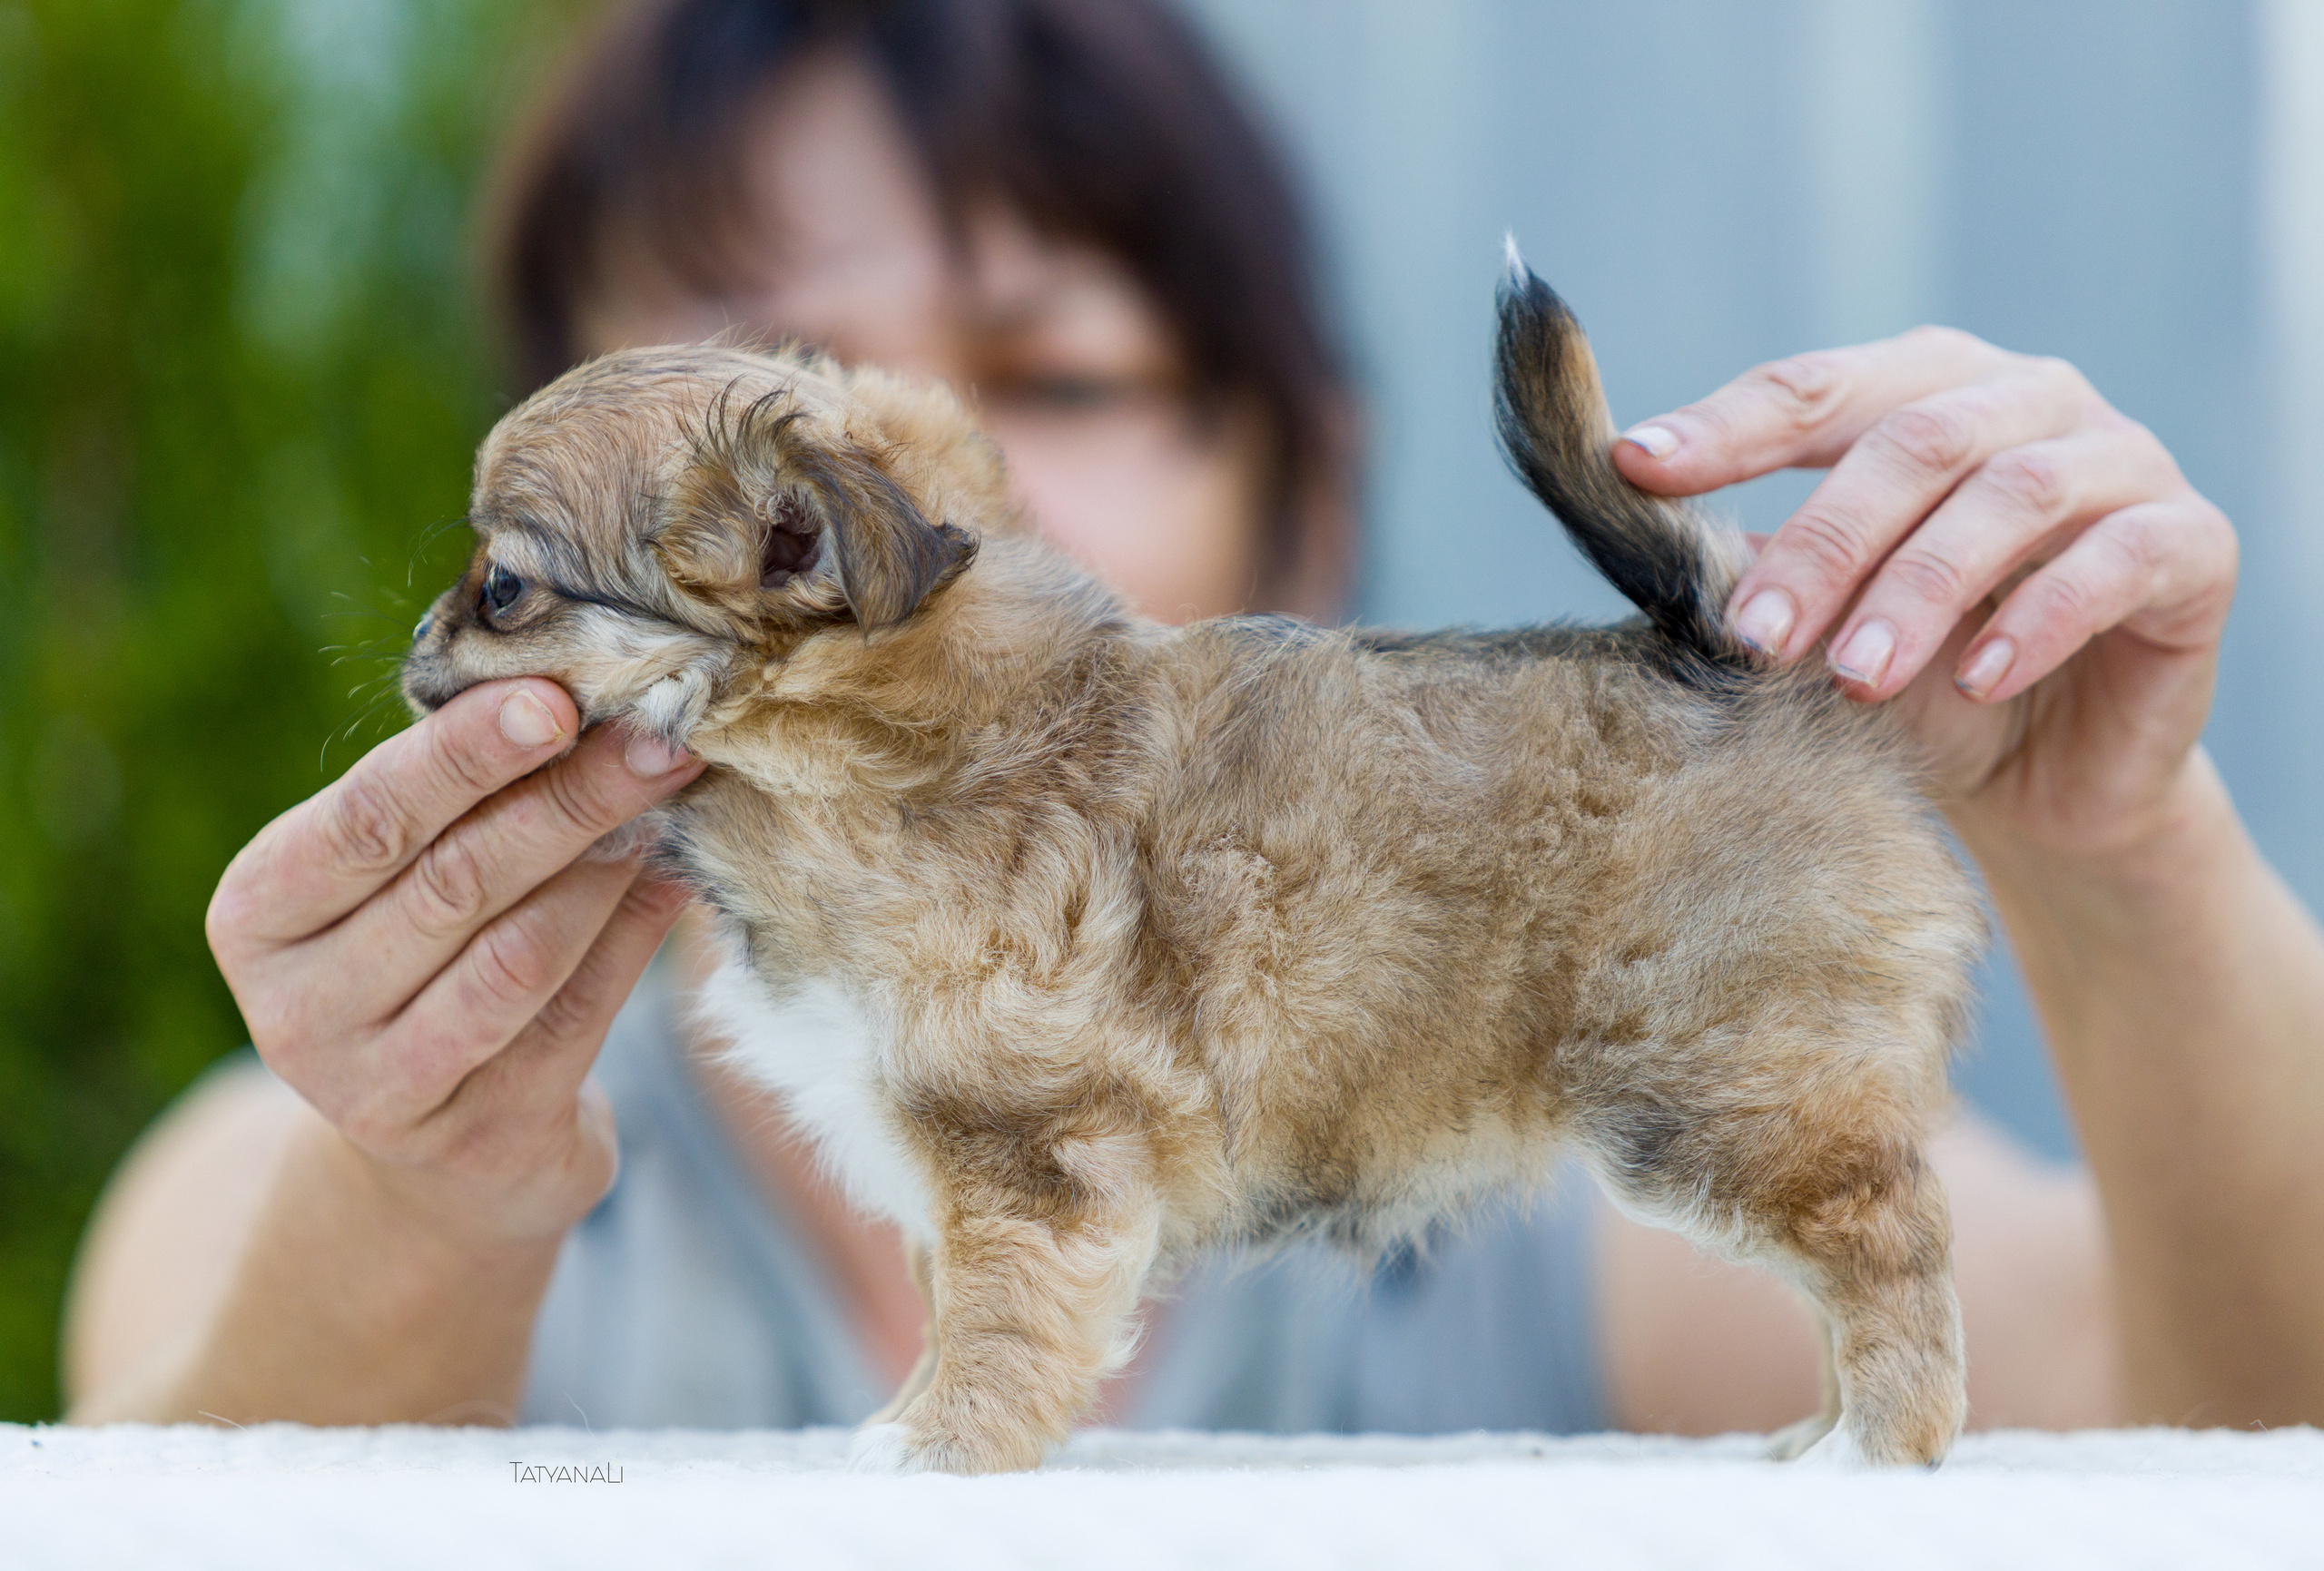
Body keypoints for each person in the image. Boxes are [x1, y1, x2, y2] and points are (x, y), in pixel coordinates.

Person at [62, 0, 2324, 1438]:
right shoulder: (356, 1155)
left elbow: (2220, 1405)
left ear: (1304, 491)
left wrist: (2121, 859)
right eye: (760, 491)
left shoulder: (1512, 1195)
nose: (844, 553)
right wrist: (421, 1186)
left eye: (1044, 376)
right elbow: (170, 1464)